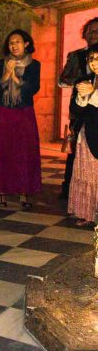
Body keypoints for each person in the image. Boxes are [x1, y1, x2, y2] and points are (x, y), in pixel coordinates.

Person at [0, 29, 41, 208]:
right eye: (11, 42)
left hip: (24, 113)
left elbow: (32, 89)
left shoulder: (34, 64)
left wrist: (15, 76)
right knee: (3, 151)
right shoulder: (1, 63)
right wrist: (5, 74)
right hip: (4, 112)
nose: (13, 45)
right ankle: (1, 192)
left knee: (23, 152)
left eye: (17, 41)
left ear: (26, 44)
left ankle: (24, 193)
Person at [59, 17, 98, 200]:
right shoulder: (75, 55)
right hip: (80, 108)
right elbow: (62, 80)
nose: (93, 34)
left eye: (97, 31)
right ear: (85, 34)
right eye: (90, 31)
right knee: (75, 151)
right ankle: (68, 190)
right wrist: (82, 81)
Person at [67, 45, 98, 226]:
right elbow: (76, 109)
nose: (94, 63)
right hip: (89, 134)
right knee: (87, 175)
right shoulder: (87, 80)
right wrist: (82, 95)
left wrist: (92, 93)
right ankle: (87, 212)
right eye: (91, 59)